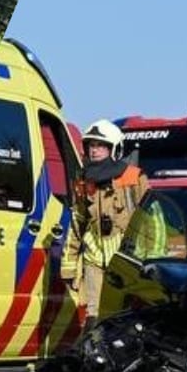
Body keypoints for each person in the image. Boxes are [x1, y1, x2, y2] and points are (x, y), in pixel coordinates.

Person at [60, 119, 151, 324]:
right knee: (94, 315)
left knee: (123, 314)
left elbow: (150, 220)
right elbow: (77, 222)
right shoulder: (83, 180)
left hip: (124, 258)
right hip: (95, 256)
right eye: (91, 145)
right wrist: (68, 265)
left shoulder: (134, 177)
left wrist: (148, 258)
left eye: (100, 145)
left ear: (113, 148)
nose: (94, 150)